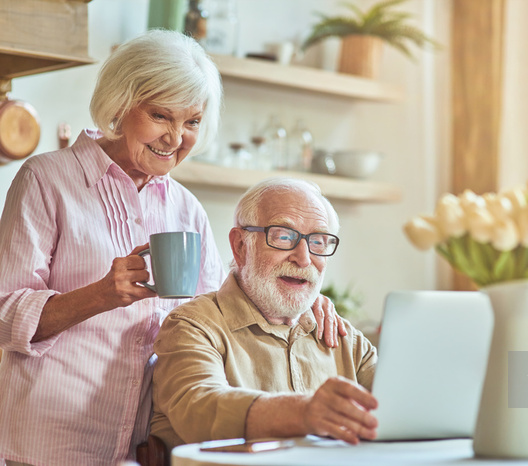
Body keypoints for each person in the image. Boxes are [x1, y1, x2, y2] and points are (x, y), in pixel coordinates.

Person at [0, 30, 342, 466]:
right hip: (49, 441)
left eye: (192, 122)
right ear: (120, 105)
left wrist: (303, 300)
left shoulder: (187, 209)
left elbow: (218, 315)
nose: (176, 137)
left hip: (144, 449)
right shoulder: (47, 180)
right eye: (161, 116)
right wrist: (101, 295)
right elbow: (5, 312)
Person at [150, 178, 378, 452]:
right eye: (283, 236)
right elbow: (200, 408)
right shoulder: (192, 326)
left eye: (318, 241)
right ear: (240, 246)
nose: (303, 258)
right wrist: (302, 412)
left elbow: (405, 403)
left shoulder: (343, 338)